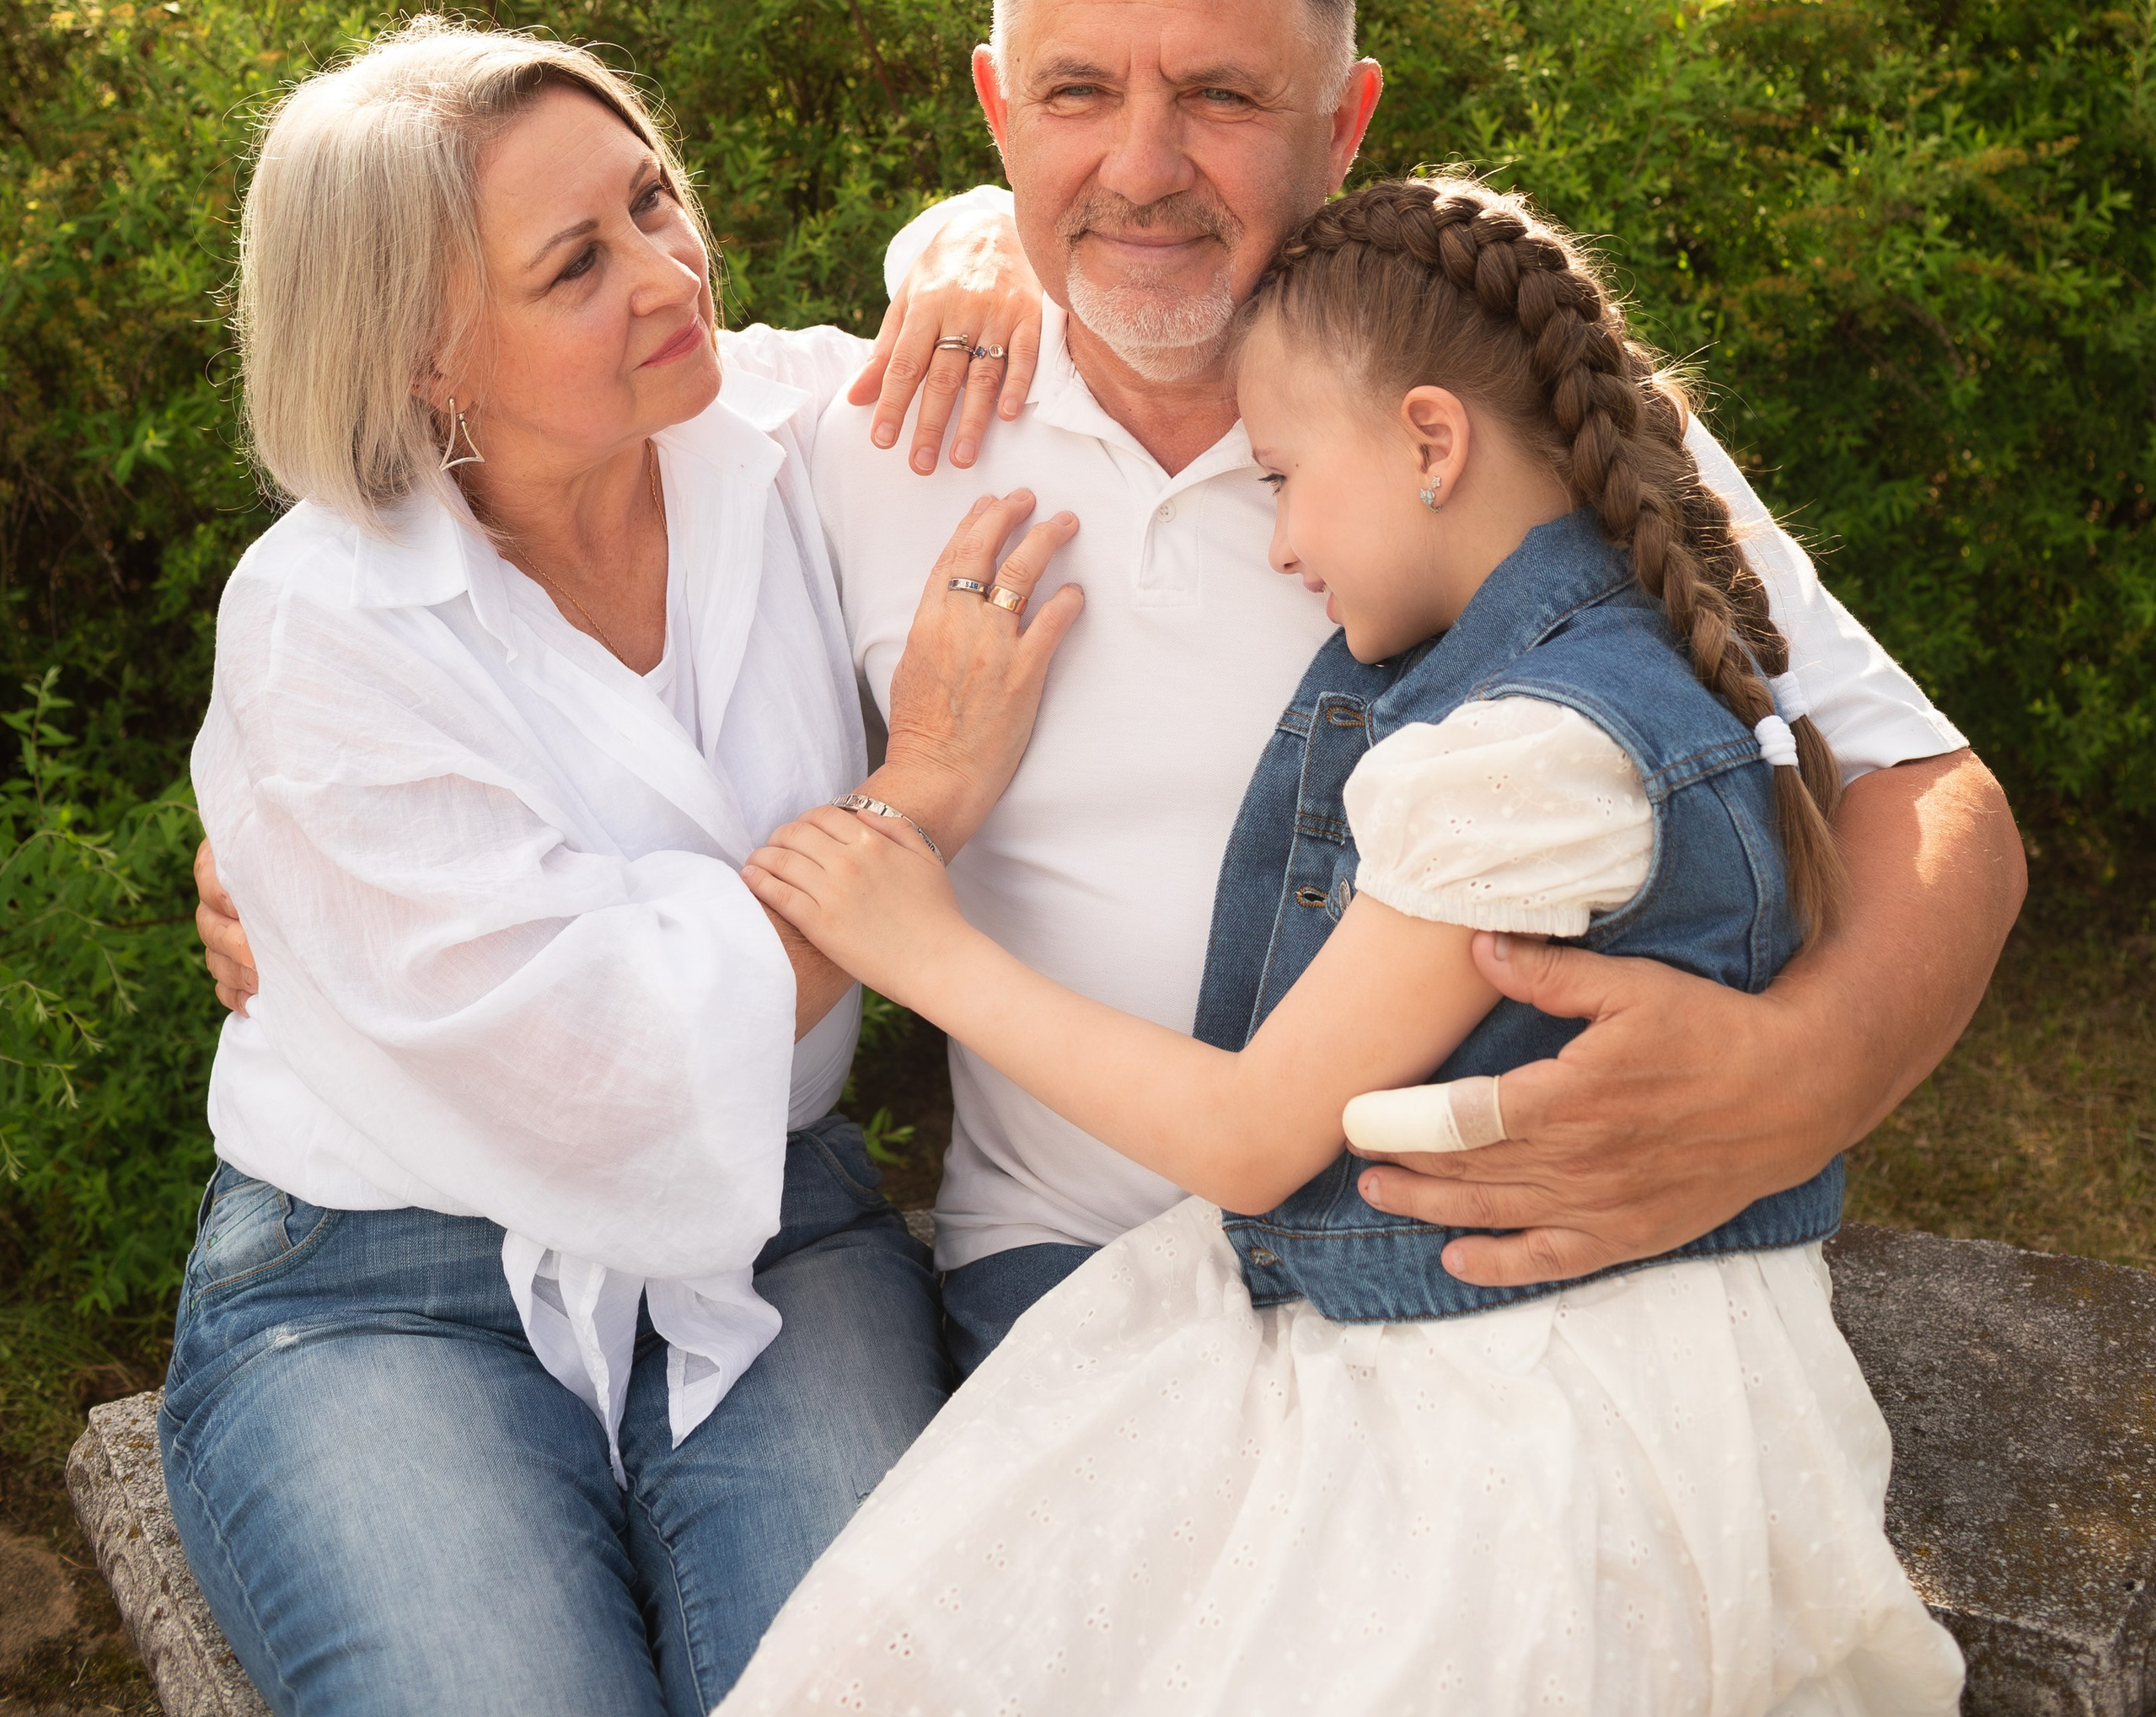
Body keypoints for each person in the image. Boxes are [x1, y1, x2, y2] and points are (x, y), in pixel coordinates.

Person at [195, 0, 2025, 1362]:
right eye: (1077, 93)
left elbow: (1921, 792)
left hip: (1497, 1261)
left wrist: (1808, 1072)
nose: (1139, 169)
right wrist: (297, 855)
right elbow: (547, 624)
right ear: (997, 108)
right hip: (1069, 1278)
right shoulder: (862, 436)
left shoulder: (1496, 420)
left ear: (1346, 116)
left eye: (1221, 97)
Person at [730, 176, 1969, 1715]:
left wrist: (915, 942)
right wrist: (960, 227)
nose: (1281, 543)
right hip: (1490, 1324)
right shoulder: (1596, 642)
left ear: (1433, 443)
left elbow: (1252, 1138)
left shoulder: (1530, 758)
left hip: (1523, 1396)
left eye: (1286, 480)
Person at [160, 20, 1063, 1717]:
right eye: (577, 262)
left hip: (770, 1226)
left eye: (655, 201)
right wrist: (918, 797)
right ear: (424, 349)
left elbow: (1038, 308)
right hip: (387, 1272)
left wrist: (979, 234)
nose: (669, 272)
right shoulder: (322, 619)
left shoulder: (781, 439)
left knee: (862, 1692)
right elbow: (602, 1049)